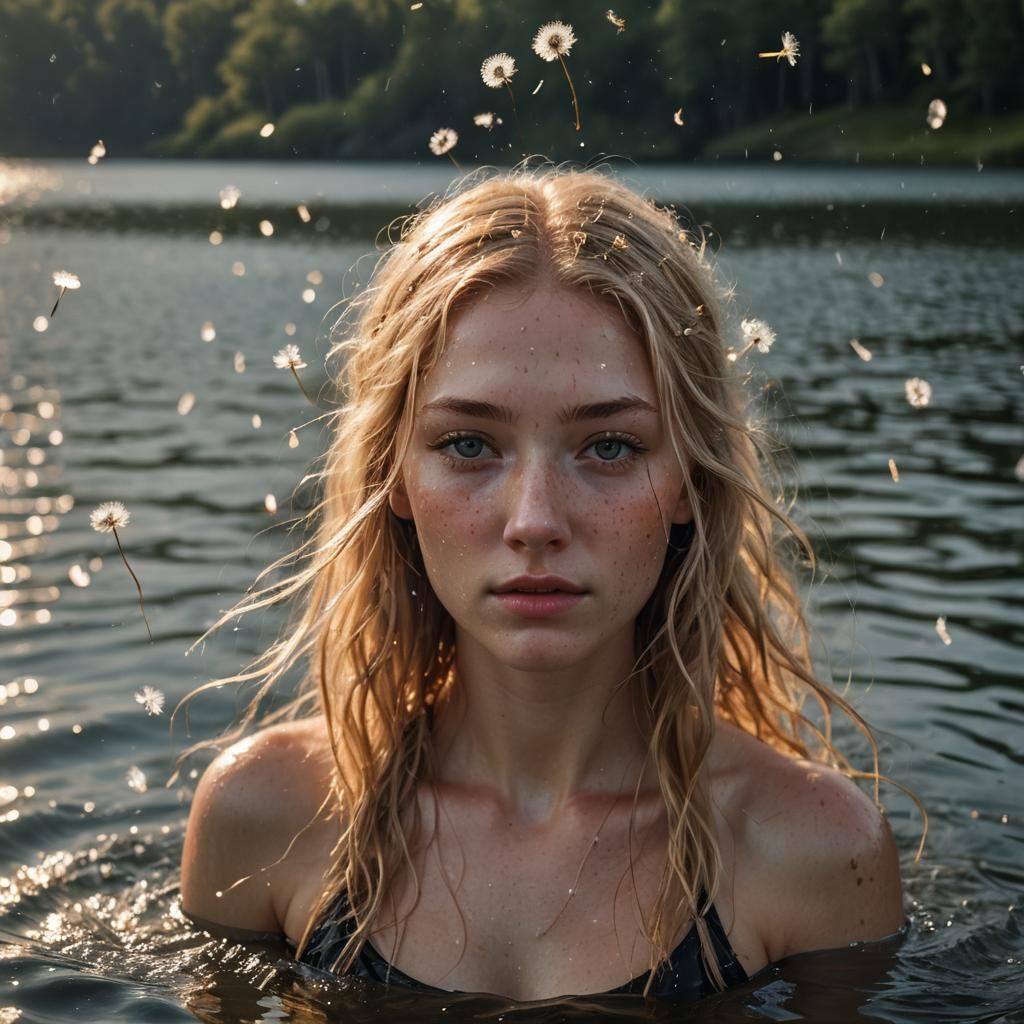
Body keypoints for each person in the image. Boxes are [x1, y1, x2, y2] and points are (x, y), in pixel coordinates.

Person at [178, 165, 907, 1003]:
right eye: (467, 446)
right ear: (395, 481)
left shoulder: (811, 852)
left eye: (609, 447)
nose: (533, 520)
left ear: (687, 484)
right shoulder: (264, 818)